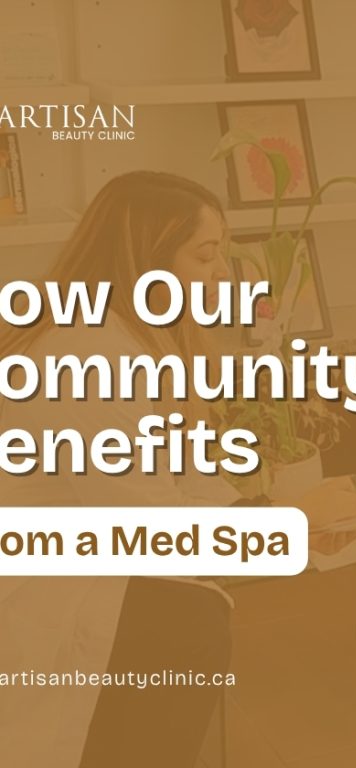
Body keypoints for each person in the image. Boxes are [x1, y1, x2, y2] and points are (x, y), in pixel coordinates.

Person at [0, 171, 243, 766]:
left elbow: (180, 475)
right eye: (204, 254)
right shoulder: (86, 355)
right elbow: (151, 524)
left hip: (107, 579)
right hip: (69, 600)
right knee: (188, 628)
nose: (219, 274)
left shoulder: (131, 339)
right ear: (147, 259)